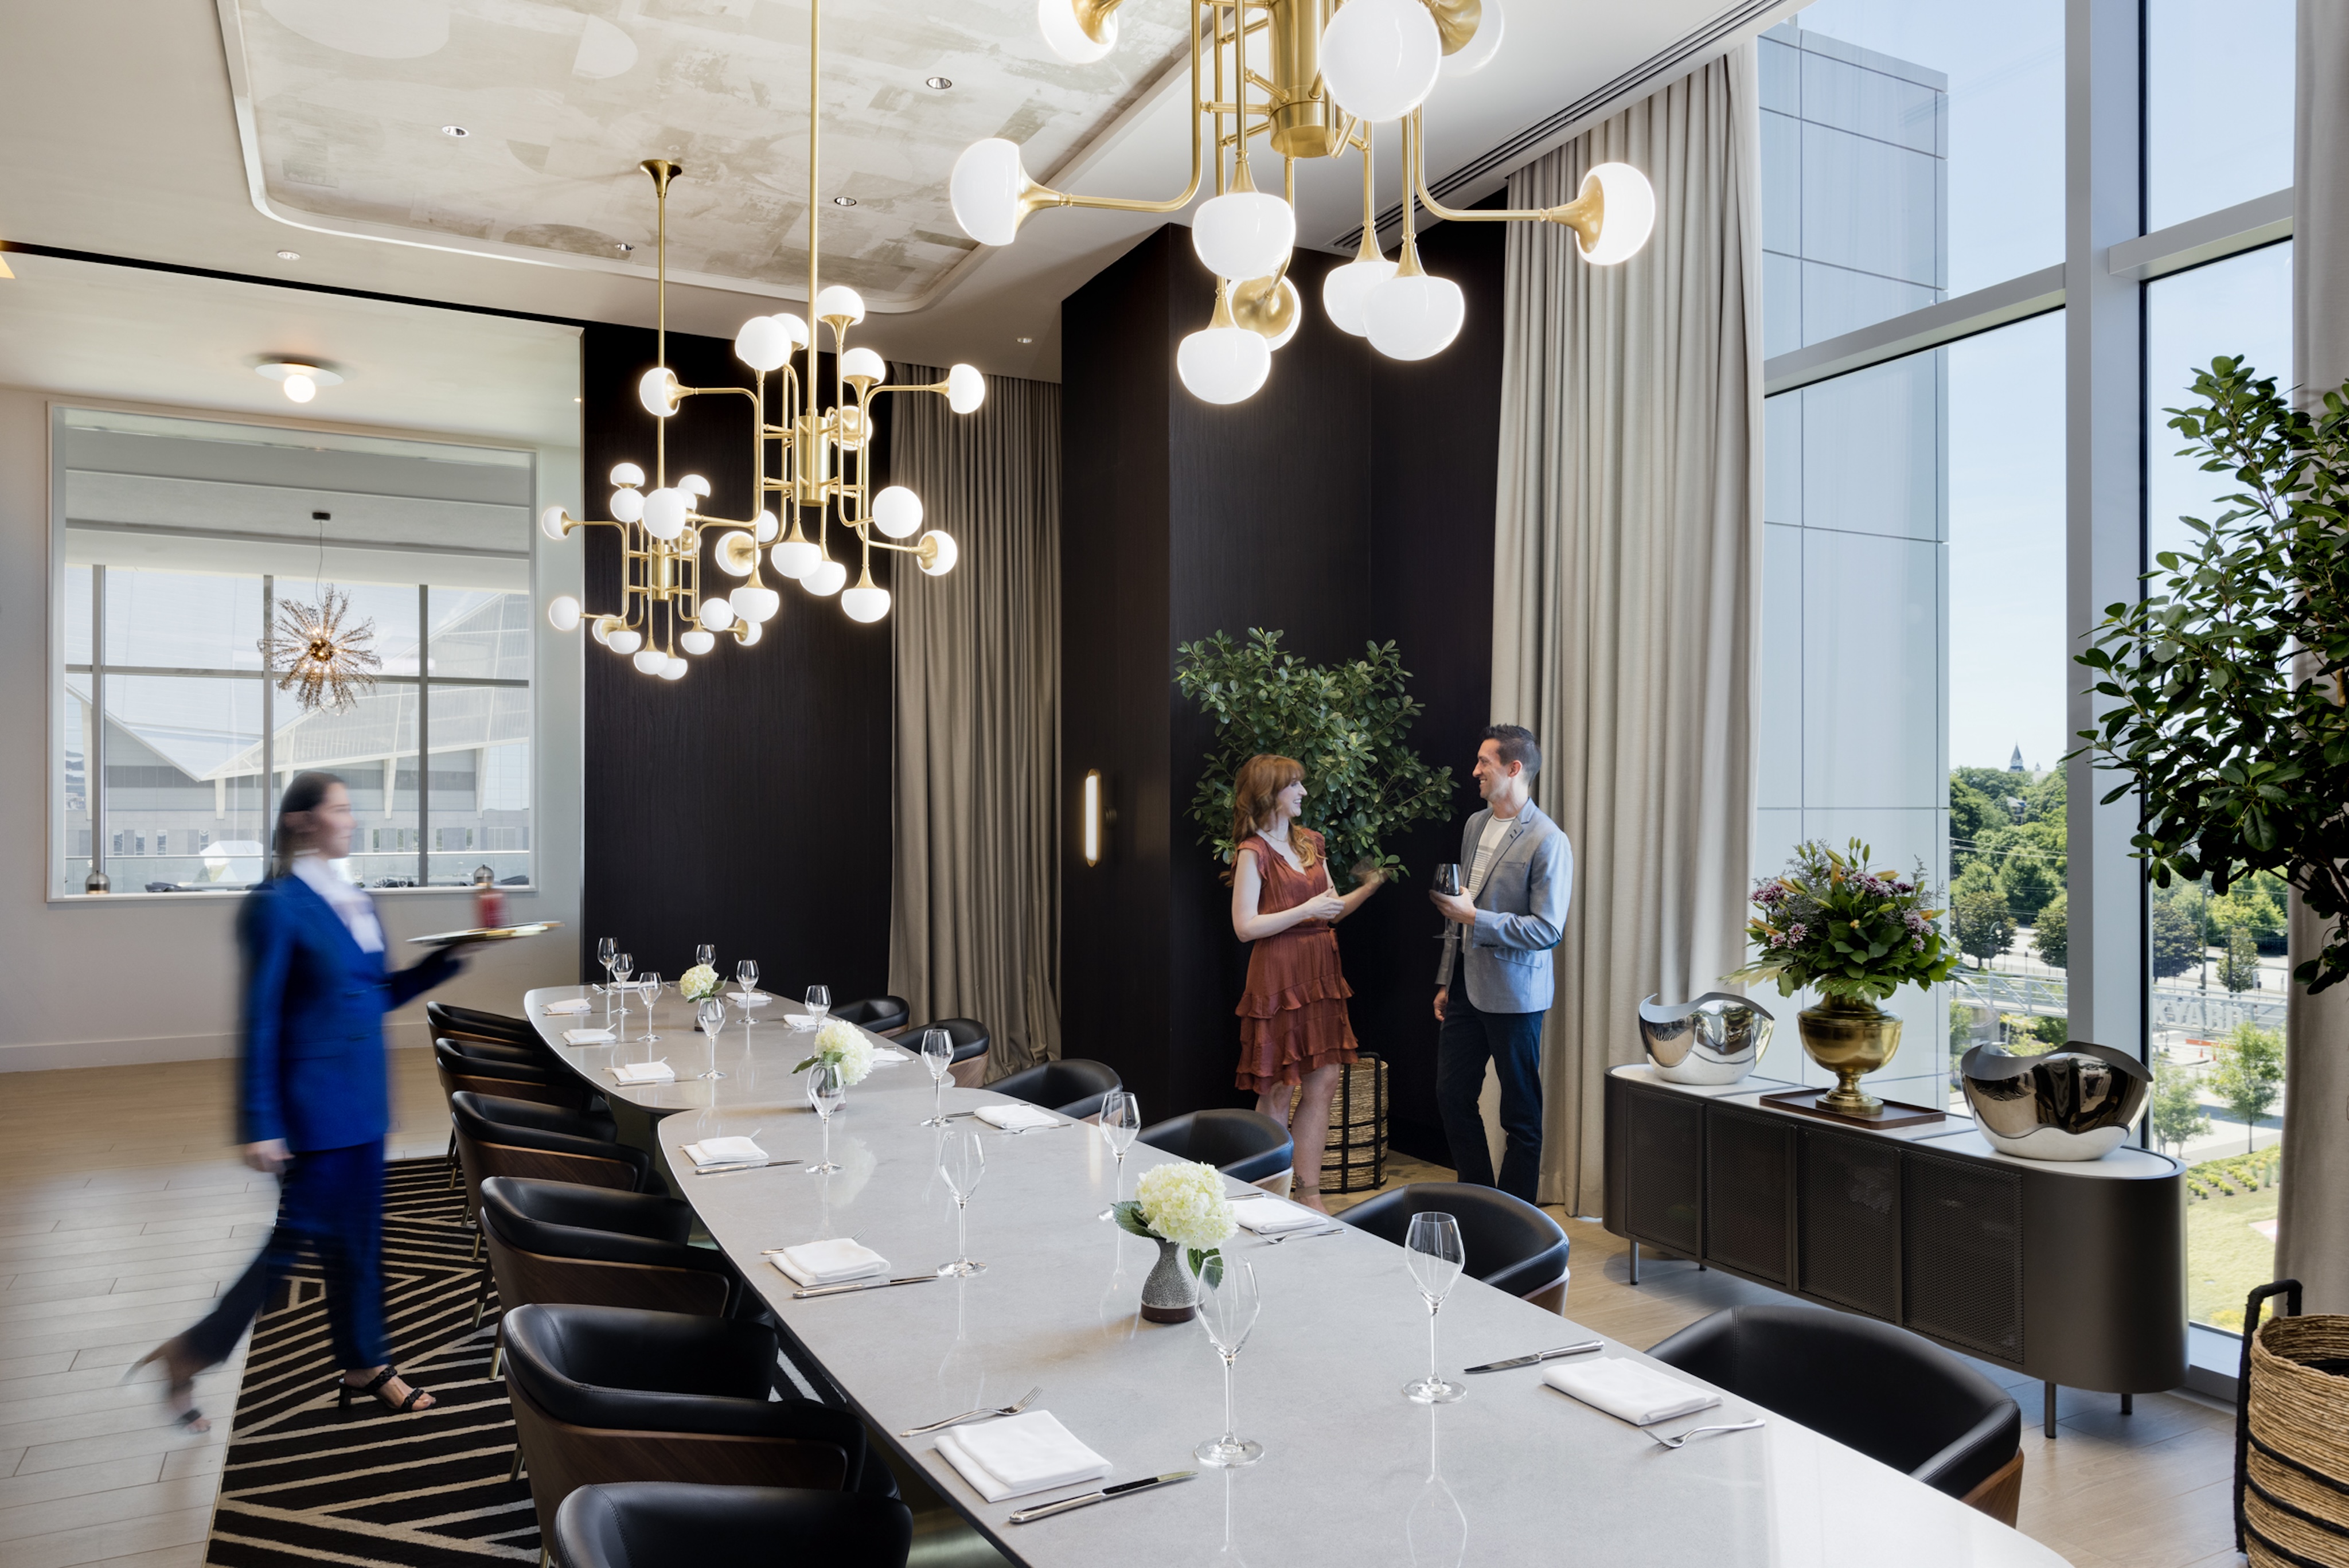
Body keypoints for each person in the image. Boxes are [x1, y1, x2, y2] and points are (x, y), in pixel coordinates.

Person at [133, 772, 464, 1430]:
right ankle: (190, 1352)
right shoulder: (276, 905)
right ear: (300, 821)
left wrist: (450, 959)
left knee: (362, 1240)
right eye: (339, 809)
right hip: (312, 1107)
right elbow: (259, 1019)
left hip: (365, 1100)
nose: (351, 819)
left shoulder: (356, 896)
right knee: (292, 1244)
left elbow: (370, 995)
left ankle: (365, 1363)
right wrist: (261, 1121)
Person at [1228, 754, 1384, 1212]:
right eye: (1294, 786)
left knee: (1325, 1081)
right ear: (1269, 793)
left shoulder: (1311, 843)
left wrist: (1369, 887)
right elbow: (1244, 926)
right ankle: (1265, 1196)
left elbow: (1330, 908)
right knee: (1277, 1085)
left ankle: (1310, 1194)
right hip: (1277, 971)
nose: (1302, 793)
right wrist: (1304, 910)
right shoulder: (1251, 852)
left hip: (1320, 970)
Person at [1430, 725, 1573, 1204]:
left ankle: (1515, 1222)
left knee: (1520, 1117)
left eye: (1483, 763)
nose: (1474, 772)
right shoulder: (1475, 824)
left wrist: (1478, 918)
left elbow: (1547, 930)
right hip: (1466, 988)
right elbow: (1459, 906)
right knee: (1452, 1098)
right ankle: (1478, 1203)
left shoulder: (1549, 840)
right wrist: (1447, 978)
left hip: (1516, 996)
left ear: (1514, 769)